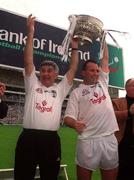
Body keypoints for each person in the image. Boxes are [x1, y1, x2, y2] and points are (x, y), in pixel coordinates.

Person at [14, 14, 79, 180]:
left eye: (49, 71)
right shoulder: (33, 85)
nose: (45, 73)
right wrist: (30, 33)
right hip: (28, 138)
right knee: (23, 176)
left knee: (49, 176)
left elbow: (72, 69)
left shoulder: (60, 89)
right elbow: (28, 61)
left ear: (56, 74)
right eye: (43, 70)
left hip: (50, 141)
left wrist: (74, 48)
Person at [64, 43, 119, 180]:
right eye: (92, 70)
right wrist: (75, 124)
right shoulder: (76, 92)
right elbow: (68, 118)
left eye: (97, 70)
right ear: (83, 72)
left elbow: (105, 59)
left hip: (109, 139)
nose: (96, 73)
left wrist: (103, 39)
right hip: (88, 140)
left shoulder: (102, 82)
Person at [112, 78, 134, 180]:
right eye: (133, 85)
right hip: (121, 144)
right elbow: (112, 116)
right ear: (126, 88)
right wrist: (128, 113)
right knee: (121, 173)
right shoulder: (117, 102)